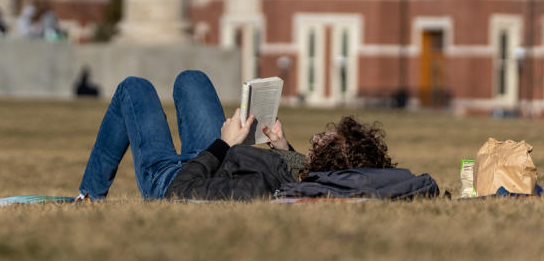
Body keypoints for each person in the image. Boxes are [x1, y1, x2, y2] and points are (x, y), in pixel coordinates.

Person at [76, 70, 403, 201]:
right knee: (193, 79)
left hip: (174, 178)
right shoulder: (315, 175)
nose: (315, 139)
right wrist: (282, 146)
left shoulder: (266, 189)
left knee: (134, 88)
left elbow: (181, 191)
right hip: (215, 161)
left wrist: (224, 144)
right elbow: (300, 167)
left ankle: (88, 196)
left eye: (320, 142)